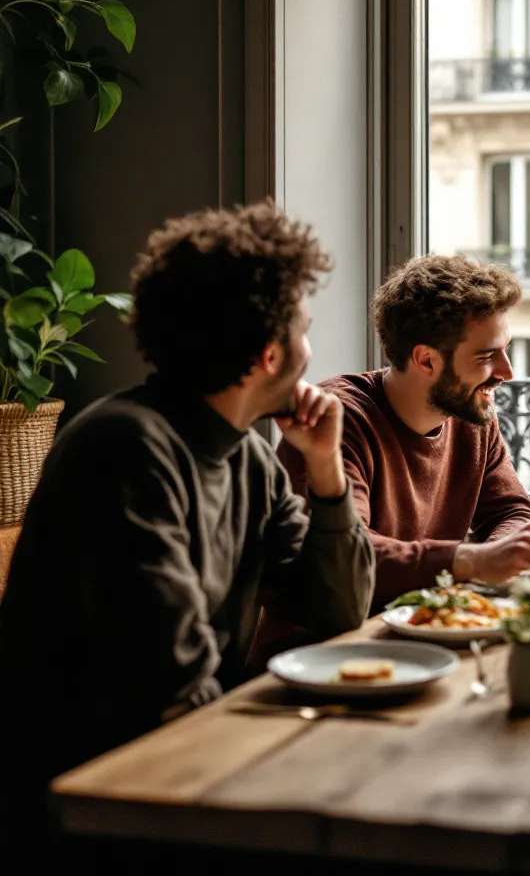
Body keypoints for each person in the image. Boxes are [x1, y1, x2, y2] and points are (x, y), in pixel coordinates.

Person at [0, 203, 374, 844]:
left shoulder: (249, 455)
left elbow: (338, 610)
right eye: (304, 331)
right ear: (267, 353)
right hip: (94, 809)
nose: (311, 354)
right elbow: (167, 690)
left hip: (181, 767)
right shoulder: (124, 449)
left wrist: (327, 473)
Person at [278, 254, 530, 615]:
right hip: (320, 653)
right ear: (426, 361)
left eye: (506, 350)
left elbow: (512, 512)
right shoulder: (333, 421)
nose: (507, 372)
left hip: (424, 635)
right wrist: (472, 561)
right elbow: (348, 553)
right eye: (486, 357)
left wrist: (501, 555)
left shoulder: (470, 412)